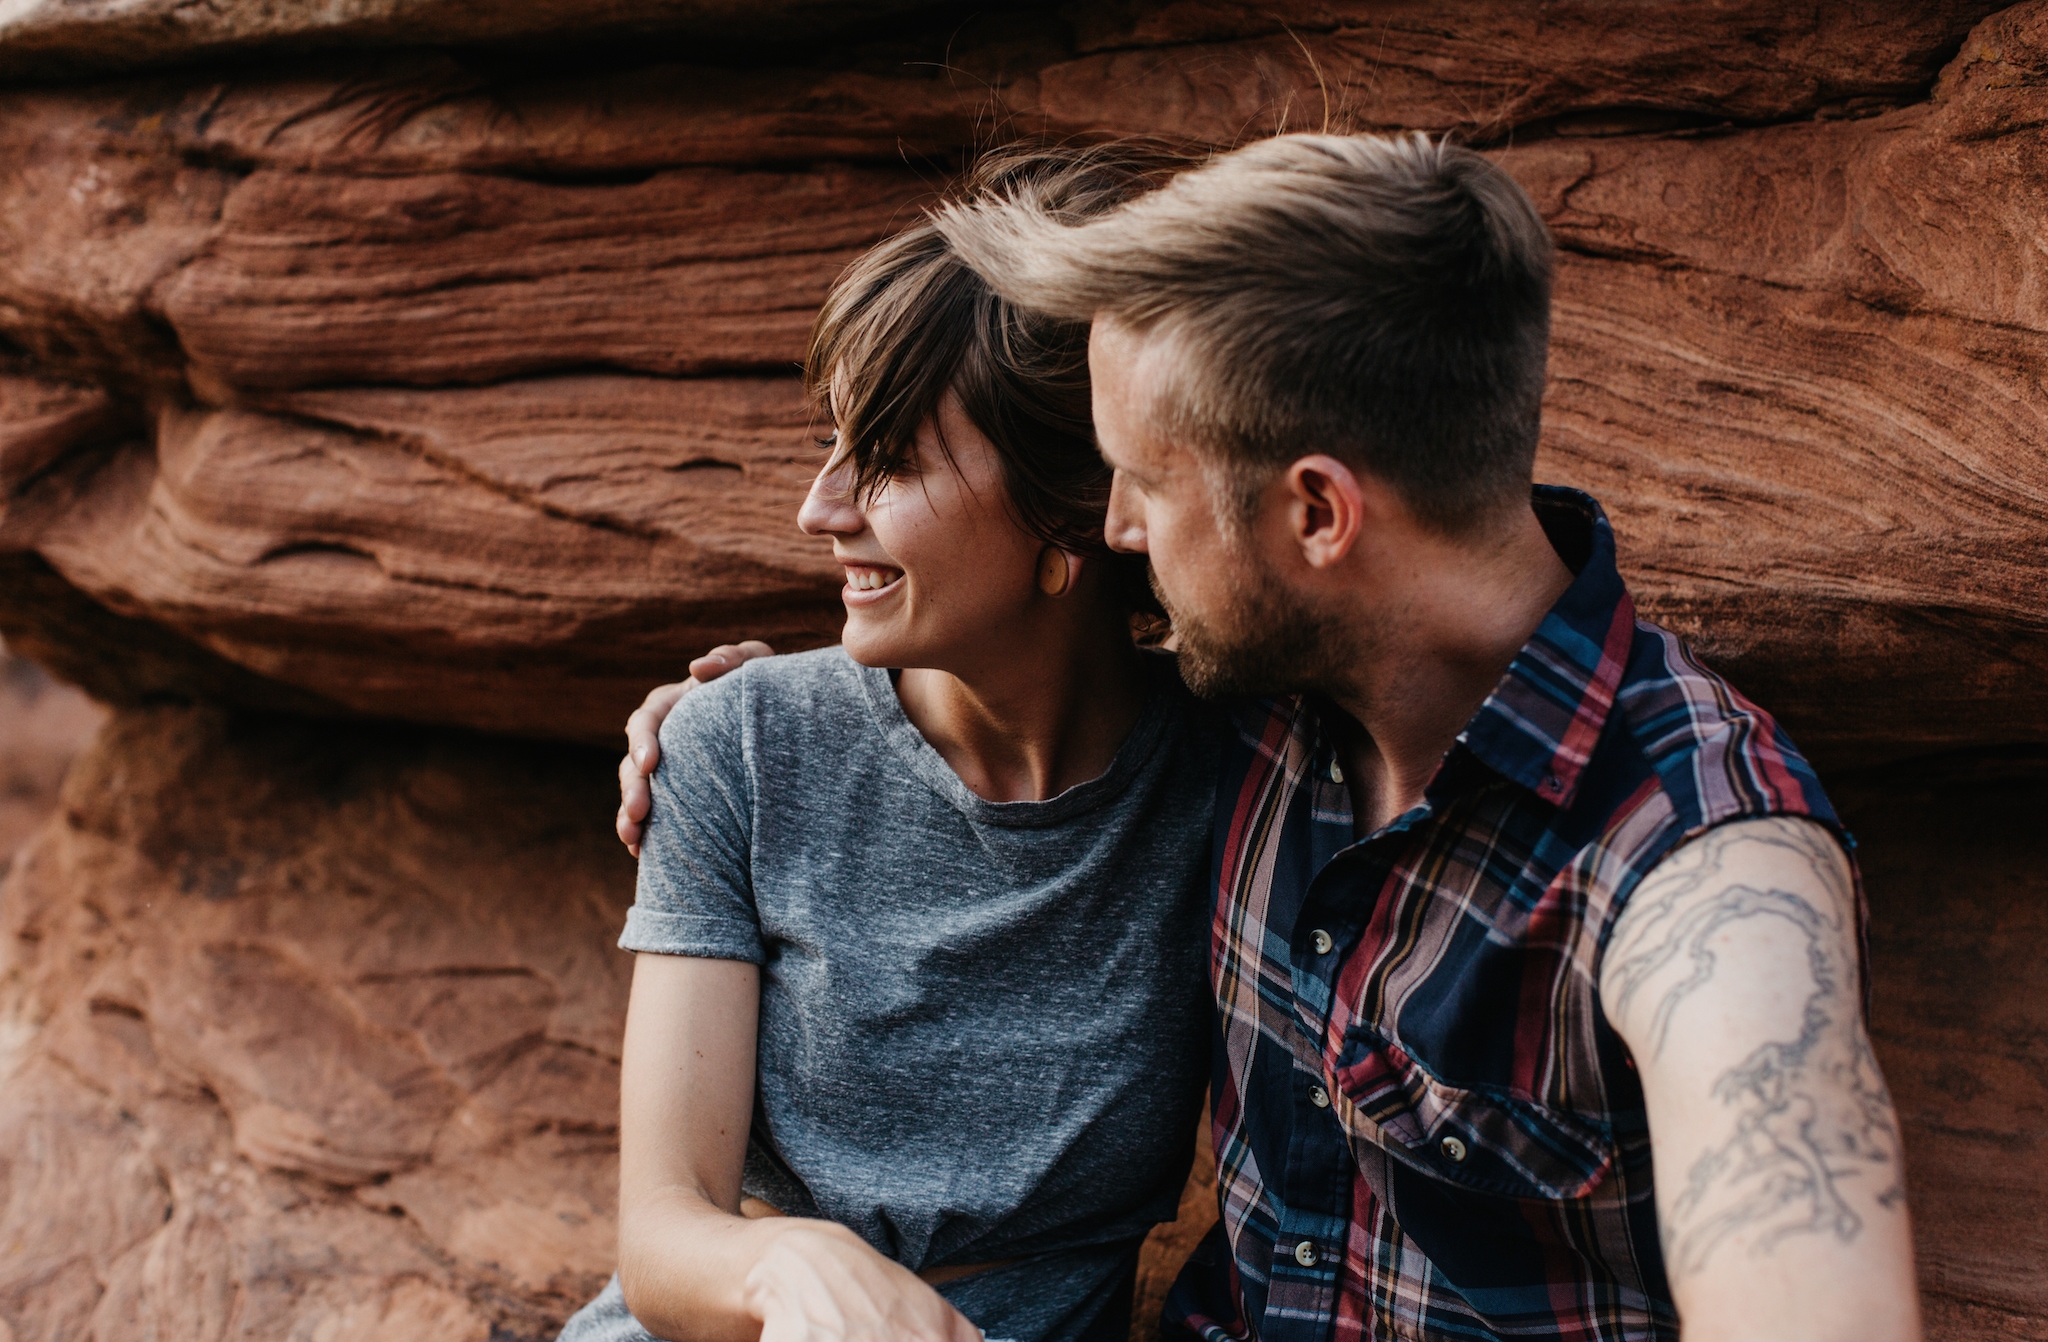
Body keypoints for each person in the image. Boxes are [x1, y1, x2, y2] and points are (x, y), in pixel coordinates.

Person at [622, 132, 1922, 1341]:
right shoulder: (1267, 709)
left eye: (1147, 483)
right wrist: (737, 721)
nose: (1115, 530)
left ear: (1316, 518)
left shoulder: (1711, 874)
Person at [563, 145, 1220, 1342]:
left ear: (1074, 510)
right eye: (831, 444)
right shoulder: (738, 745)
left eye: (889, 462)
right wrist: (791, 1267)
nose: (819, 510)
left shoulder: (1234, 772)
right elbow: (661, 1235)